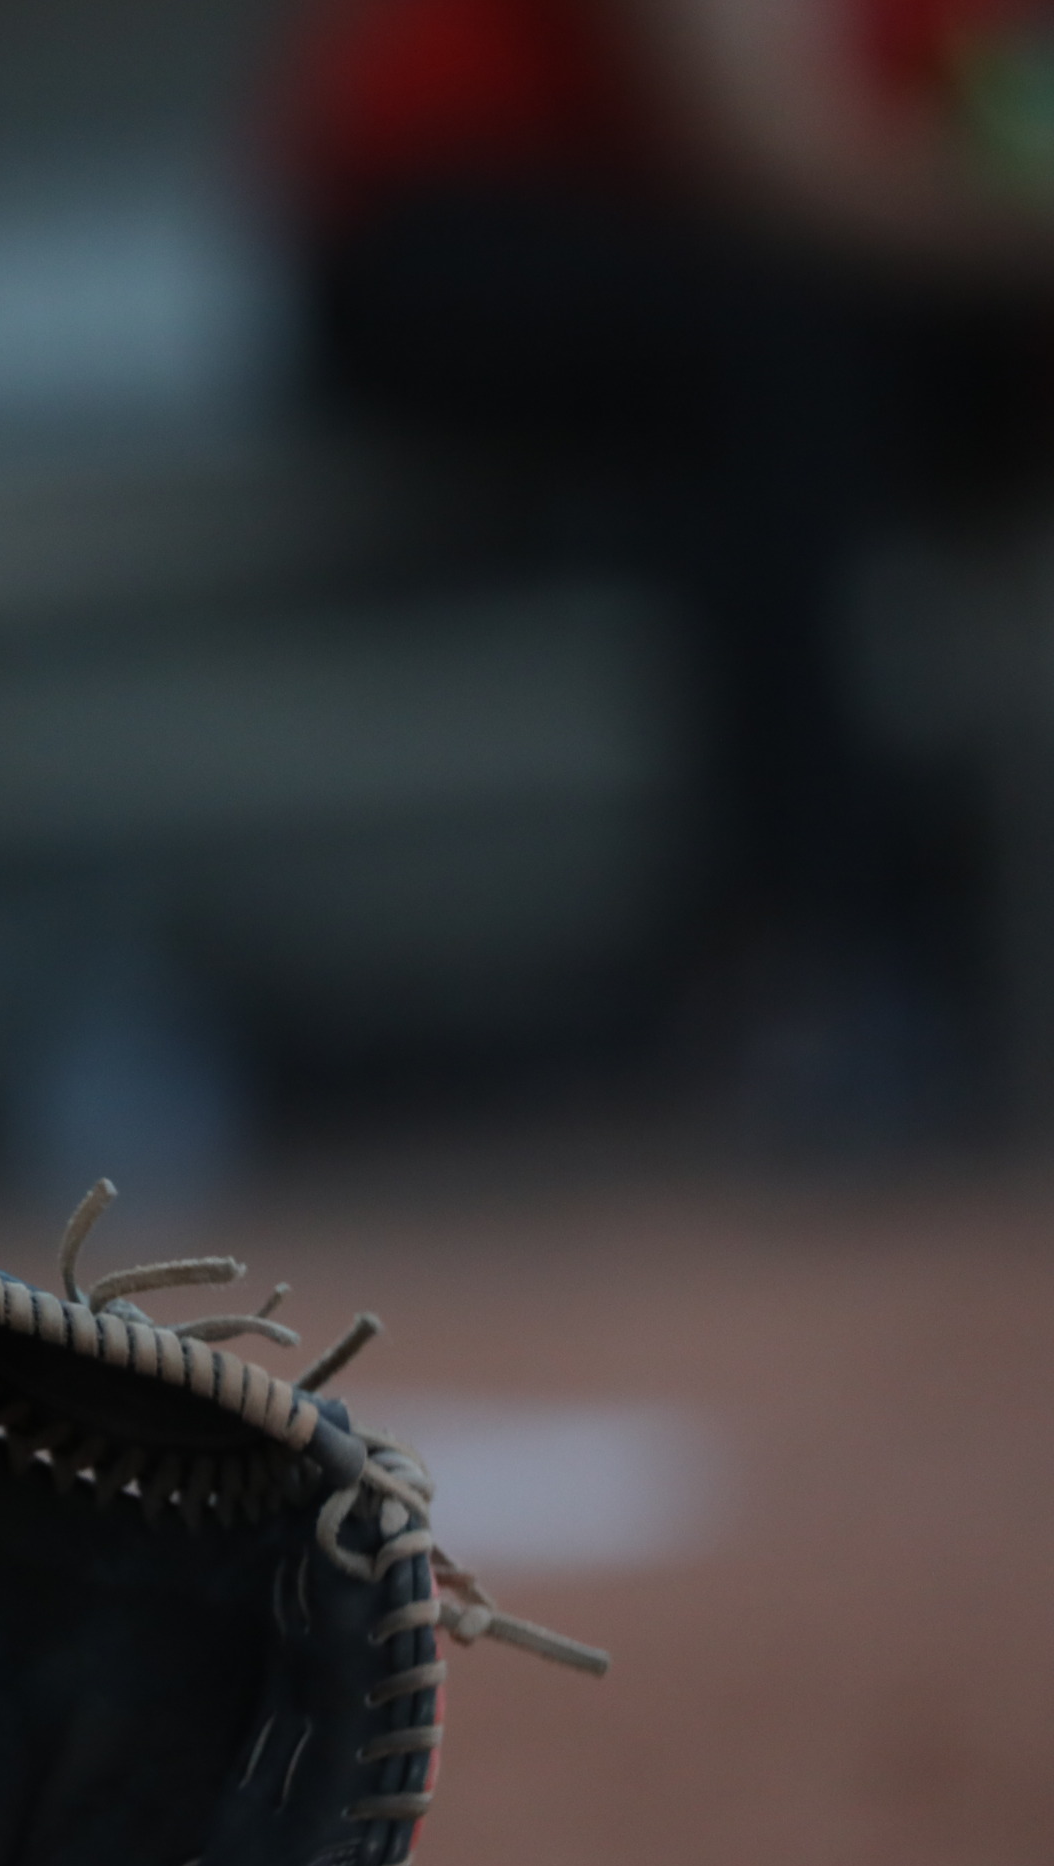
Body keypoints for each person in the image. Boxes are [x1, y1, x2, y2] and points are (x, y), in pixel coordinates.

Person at [283, 0, 1054, 1138]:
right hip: (455, 218)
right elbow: (762, 153)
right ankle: (812, 957)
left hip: (780, 257)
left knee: (818, 364)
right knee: (777, 368)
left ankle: (873, 946)